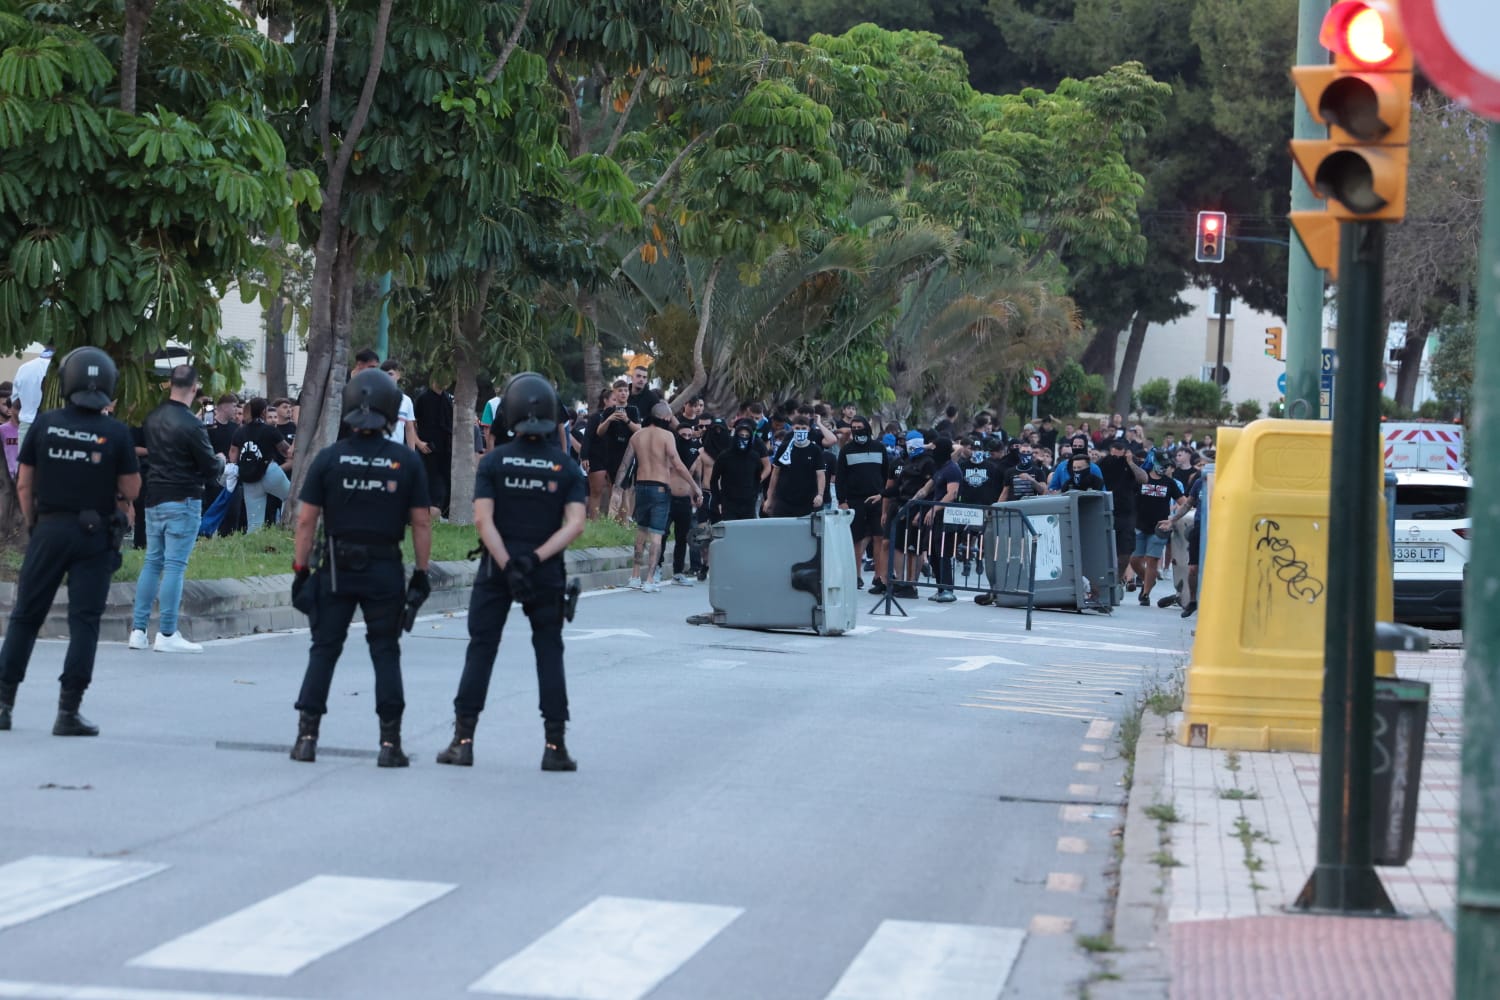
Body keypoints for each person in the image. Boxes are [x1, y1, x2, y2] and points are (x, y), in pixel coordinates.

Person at [435, 372, 587, 771]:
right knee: (549, 653)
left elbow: (483, 522)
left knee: (481, 650)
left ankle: (462, 741)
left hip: (496, 569)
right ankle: (555, 747)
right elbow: (575, 524)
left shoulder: (495, 462)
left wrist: (508, 564)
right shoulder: (566, 468)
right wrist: (534, 561)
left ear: (509, 414)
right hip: (546, 570)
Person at [288, 369, 432, 767]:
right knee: (385, 651)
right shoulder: (405, 461)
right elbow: (421, 522)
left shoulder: (329, 458)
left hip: (335, 565)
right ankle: (390, 744)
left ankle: (306, 737)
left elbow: (306, 521)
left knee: (324, 650)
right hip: (384, 566)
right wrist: (421, 574)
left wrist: (301, 569)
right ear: (390, 411)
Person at [0, 349, 139, 735]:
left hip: (49, 529)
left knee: (26, 616)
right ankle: (67, 712)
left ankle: (3, 704)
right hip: (94, 536)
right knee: (84, 623)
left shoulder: (45, 424)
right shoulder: (116, 433)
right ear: (109, 386)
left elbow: (24, 483)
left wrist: (36, 526)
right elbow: (131, 488)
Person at [130, 366, 224, 653]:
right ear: (195, 388)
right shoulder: (193, 425)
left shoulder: (154, 417)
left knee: (152, 562)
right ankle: (168, 633)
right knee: (174, 566)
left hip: (153, 496)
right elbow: (210, 467)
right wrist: (220, 459)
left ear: (170, 384)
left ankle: (138, 630)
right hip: (182, 498)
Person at [622, 403, 701, 592]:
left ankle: (634, 576)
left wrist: (618, 488)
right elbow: (678, 465)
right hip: (659, 488)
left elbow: (625, 464)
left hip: (641, 486)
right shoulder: (667, 436)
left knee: (641, 532)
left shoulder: (637, 435)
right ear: (666, 418)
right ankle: (649, 579)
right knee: (656, 535)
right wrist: (695, 486)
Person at [835, 415, 890, 590]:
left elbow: (886, 474)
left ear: (867, 427)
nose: (857, 430)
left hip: (876, 498)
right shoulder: (846, 450)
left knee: (879, 537)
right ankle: (856, 575)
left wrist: (883, 495)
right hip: (854, 500)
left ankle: (878, 577)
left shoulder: (879, 448)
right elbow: (840, 478)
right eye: (854, 427)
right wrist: (842, 500)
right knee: (855, 539)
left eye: (860, 427)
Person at [1131, 450, 1185, 606]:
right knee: (1134, 560)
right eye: (1161, 465)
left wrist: (1173, 519)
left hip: (1159, 527)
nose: (1164, 468)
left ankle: (1145, 594)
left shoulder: (1169, 483)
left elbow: (1183, 502)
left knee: (1152, 560)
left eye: (1166, 466)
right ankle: (1148, 579)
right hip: (1139, 524)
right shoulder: (1142, 478)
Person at [230, 397, 292, 532]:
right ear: (264, 412)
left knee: (254, 523)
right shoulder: (270, 430)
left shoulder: (240, 431)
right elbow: (286, 450)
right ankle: (285, 528)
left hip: (249, 477)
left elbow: (233, 453)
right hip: (270, 472)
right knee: (291, 497)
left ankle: (252, 546)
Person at [763, 414, 825, 517]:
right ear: (792, 428)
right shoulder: (784, 448)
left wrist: (820, 495)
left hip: (806, 501)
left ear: (809, 429)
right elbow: (775, 474)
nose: (800, 431)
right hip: (784, 500)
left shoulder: (815, 450)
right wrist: (769, 498)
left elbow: (820, 474)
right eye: (797, 428)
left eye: (803, 428)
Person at [709, 418, 767, 523]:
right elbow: (714, 479)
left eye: (746, 436)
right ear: (736, 436)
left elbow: (757, 479)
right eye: (741, 435)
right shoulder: (725, 456)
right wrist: (718, 500)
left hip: (748, 504)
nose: (743, 439)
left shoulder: (754, 457)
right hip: (729, 503)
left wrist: (753, 495)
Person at [413, 377, 454, 518]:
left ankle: (445, 514)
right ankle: (425, 511)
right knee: (429, 479)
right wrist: (418, 442)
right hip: (427, 447)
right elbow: (412, 423)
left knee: (447, 479)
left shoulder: (448, 399)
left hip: (446, 448)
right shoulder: (423, 398)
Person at [11, 344, 53, 446]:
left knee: (24, 462)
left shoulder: (24, 368)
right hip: (56, 428)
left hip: (27, 426)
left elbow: (16, 404)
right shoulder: (68, 367)